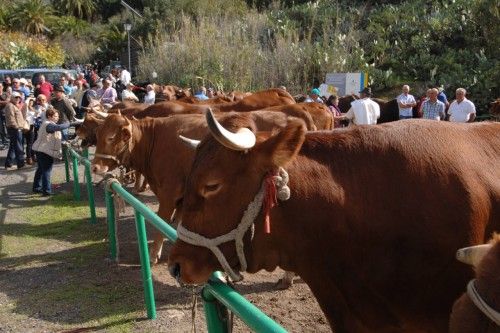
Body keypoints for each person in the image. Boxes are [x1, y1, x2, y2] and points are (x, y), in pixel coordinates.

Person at [32, 108, 82, 195]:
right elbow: (59, 127)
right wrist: (71, 123)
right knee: (46, 171)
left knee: (40, 170)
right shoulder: (48, 124)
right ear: (49, 116)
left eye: (58, 116)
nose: (57, 118)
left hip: (40, 150)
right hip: (44, 151)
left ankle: (36, 187)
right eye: (55, 116)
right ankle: (46, 191)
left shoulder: (48, 123)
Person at [4, 92, 26, 169]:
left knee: (13, 146)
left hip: (16, 128)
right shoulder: (10, 105)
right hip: (14, 129)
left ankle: (8, 163)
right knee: (18, 147)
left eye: (19, 97)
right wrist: (17, 128)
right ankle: (21, 164)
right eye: (16, 97)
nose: (17, 99)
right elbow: (11, 119)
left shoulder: (13, 105)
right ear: (12, 98)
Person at [22, 97, 37, 164]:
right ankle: (29, 157)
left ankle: (33, 156)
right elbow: (25, 103)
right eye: (30, 101)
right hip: (28, 126)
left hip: (33, 126)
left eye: (32, 102)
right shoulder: (25, 109)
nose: (31, 102)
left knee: (33, 142)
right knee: (29, 143)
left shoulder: (33, 108)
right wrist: (29, 98)